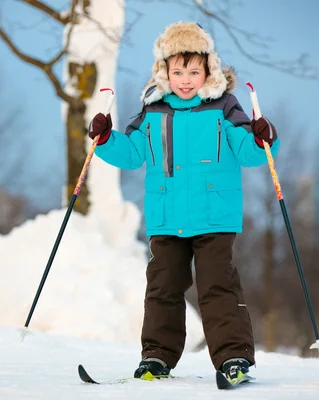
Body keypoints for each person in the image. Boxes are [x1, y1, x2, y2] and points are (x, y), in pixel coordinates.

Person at [87, 21, 280, 383]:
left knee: (216, 286)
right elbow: (131, 154)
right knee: (162, 288)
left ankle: (233, 359)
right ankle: (156, 358)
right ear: (164, 72)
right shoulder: (153, 109)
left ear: (209, 69)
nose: (186, 79)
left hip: (215, 217)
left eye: (194, 70)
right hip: (167, 216)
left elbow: (251, 154)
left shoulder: (225, 106)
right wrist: (104, 138)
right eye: (178, 71)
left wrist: (263, 137)